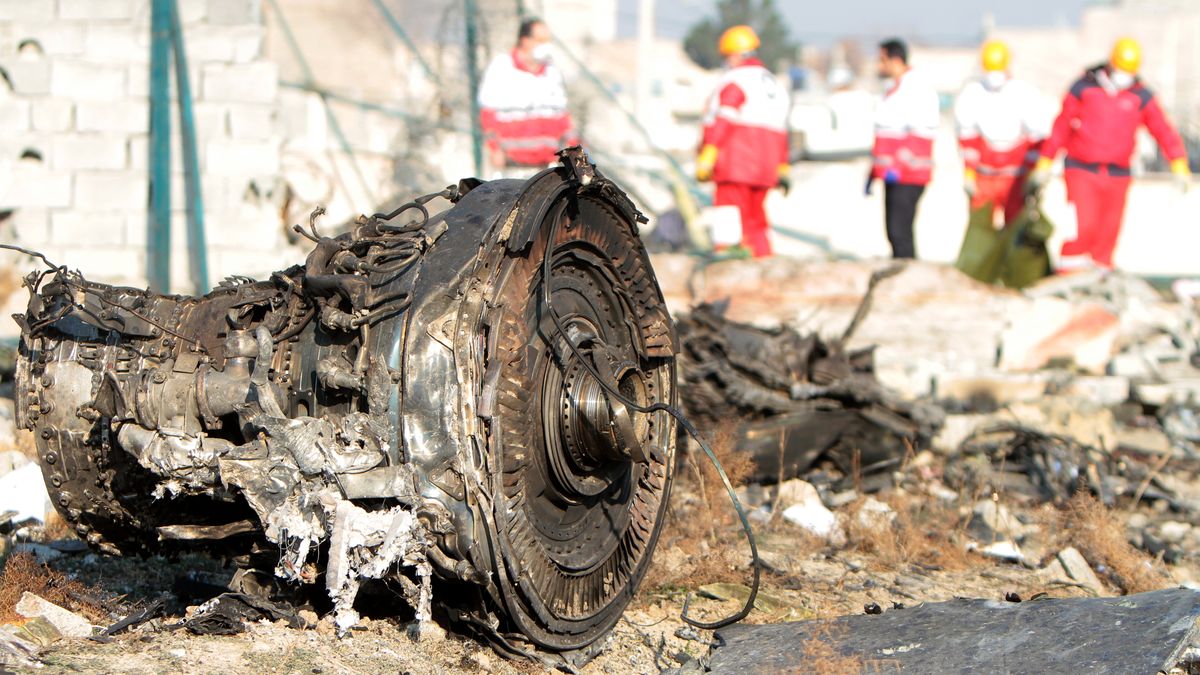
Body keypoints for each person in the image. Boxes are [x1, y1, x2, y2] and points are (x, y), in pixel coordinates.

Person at [1030, 37, 1192, 271]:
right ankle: (1068, 275)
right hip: (1082, 170)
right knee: (1083, 227)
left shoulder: (1140, 95)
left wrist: (1178, 163)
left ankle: (1100, 277)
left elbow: (1162, 129)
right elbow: (1062, 126)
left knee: (1108, 232)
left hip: (1118, 174)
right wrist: (1045, 162)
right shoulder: (1084, 88)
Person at [695, 25, 790, 258]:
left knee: (728, 216)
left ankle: (726, 267)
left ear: (735, 54)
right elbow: (782, 129)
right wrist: (783, 166)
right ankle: (764, 263)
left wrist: (709, 153)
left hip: (735, 164)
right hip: (766, 167)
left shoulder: (735, 80)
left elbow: (724, 120)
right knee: (756, 222)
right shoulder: (775, 85)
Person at [954, 40, 1051, 225]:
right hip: (984, 175)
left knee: (1016, 226)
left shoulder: (1023, 93)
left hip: (1016, 176)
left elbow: (1037, 136)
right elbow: (967, 138)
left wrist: (1034, 171)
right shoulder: (972, 93)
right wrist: (968, 173)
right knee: (980, 226)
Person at [868, 38, 939, 259]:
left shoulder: (915, 89)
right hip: (894, 175)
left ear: (895, 60)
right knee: (893, 232)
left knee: (900, 233)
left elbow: (920, 135)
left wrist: (899, 166)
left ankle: (908, 279)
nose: (879, 66)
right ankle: (901, 273)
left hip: (907, 175)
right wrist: (874, 172)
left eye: (882, 60)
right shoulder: (895, 90)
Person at [477, 18, 578, 172]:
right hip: (511, 165)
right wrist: (494, 149)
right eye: (541, 40)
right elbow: (488, 115)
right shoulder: (502, 68)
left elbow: (563, 117)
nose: (546, 45)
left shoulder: (551, 72)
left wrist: (571, 148)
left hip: (547, 165)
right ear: (525, 40)